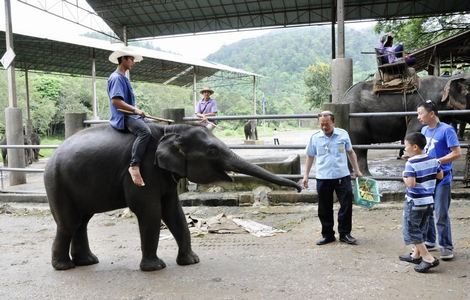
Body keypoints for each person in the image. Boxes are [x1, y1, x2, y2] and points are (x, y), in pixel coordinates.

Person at [302, 111, 363, 246]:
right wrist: (305, 175)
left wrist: (357, 170)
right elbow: (310, 156)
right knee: (324, 208)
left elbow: (351, 152)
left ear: (333, 122)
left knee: (346, 206)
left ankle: (345, 233)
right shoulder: (315, 138)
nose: (324, 127)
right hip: (323, 177)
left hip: (342, 176)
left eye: (327, 124)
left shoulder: (343, 134)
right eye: (322, 125)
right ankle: (328, 235)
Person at [417, 100, 461, 261]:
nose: (418, 117)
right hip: (427, 178)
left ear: (431, 114)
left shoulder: (447, 130)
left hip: (442, 177)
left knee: (441, 213)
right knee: (427, 210)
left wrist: (438, 161)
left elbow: (457, 153)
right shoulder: (423, 130)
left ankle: (446, 246)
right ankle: (430, 240)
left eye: (421, 113)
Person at [399, 132, 443, 273]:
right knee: (422, 227)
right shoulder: (433, 159)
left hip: (415, 201)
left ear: (415, 147)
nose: (404, 149)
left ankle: (428, 258)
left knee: (412, 230)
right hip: (429, 200)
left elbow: (410, 184)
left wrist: (403, 176)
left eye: (406, 146)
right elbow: (440, 175)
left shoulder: (410, 163)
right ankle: (416, 255)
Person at [107, 46, 149, 187]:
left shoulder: (123, 77)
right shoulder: (116, 78)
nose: (133, 62)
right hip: (123, 116)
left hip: (130, 114)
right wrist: (135, 110)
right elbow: (116, 101)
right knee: (145, 132)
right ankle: (134, 165)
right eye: (131, 59)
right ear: (123, 59)